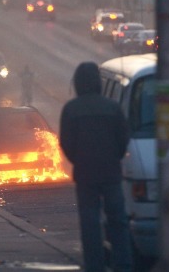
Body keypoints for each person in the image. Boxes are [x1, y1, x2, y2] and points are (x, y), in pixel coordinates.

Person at [59, 62, 132, 272]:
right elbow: (123, 138)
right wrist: (113, 157)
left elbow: (66, 143)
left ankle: (94, 265)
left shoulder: (71, 109)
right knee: (118, 220)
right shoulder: (112, 107)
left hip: (85, 174)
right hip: (111, 173)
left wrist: (79, 160)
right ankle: (124, 264)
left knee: (90, 222)